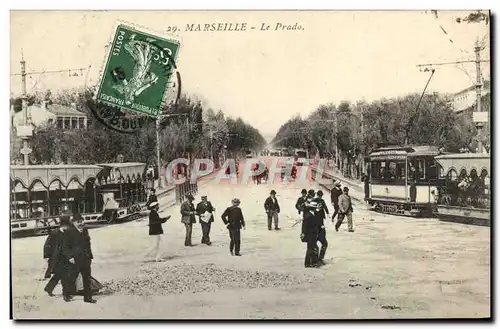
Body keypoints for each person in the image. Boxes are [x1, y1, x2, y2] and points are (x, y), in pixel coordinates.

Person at [62, 215, 97, 303]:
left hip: (86, 258)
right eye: (78, 222)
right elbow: (65, 247)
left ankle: (88, 298)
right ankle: (66, 294)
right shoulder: (68, 232)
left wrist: (90, 256)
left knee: (87, 279)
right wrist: (70, 257)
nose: (80, 223)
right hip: (75, 259)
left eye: (81, 221)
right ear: (73, 223)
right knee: (71, 278)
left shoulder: (85, 230)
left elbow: (88, 244)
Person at [43, 218, 70, 297]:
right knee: (64, 275)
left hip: (65, 258)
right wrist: (46, 256)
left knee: (59, 275)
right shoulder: (54, 233)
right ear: (63, 226)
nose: (68, 228)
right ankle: (66, 294)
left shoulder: (67, 234)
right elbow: (47, 245)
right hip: (56, 258)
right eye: (67, 226)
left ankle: (49, 288)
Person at [301, 195, 321, 268]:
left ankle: (311, 262)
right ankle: (308, 263)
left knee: (312, 248)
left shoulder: (312, 214)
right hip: (310, 235)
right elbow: (304, 226)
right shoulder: (308, 216)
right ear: (313, 209)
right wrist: (303, 234)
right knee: (310, 249)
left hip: (313, 235)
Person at [315, 190, 329, 264]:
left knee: (315, 244)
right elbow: (325, 207)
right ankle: (319, 258)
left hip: (315, 227)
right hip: (319, 227)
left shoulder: (313, 202)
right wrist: (327, 213)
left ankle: (317, 258)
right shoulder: (321, 201)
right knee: (324, 244)